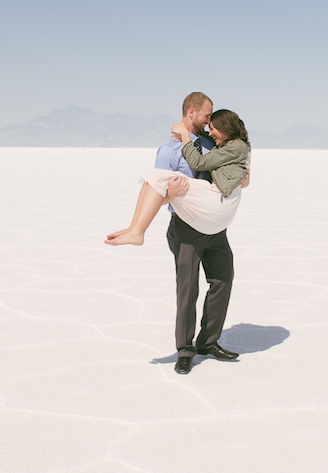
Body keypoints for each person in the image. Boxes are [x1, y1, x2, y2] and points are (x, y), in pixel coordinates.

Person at [107, 93, 249, 375]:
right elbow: (155, 193)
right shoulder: (168, 151)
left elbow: (227, 169)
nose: (210, 123)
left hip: (215, 227)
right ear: (192, 112)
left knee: (223, 280)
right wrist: (170, 195)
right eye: (207, 116)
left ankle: (208, 342)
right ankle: (185, 350)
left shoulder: (211, 143)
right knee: (188, 290)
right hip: (185, 230)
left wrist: (241, 178)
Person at [103, 110, 250, 245]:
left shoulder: (236, 146)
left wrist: (184, 134)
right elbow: (203, 138)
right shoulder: (231, 145)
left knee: (158, 176)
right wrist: (180, 131)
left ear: (225, 127)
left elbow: (197, 162)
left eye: (212, 128)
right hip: (218, 200)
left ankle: (137, 232)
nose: (209, 133)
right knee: (153, 178)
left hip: (219, 202)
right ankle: (133, 229)